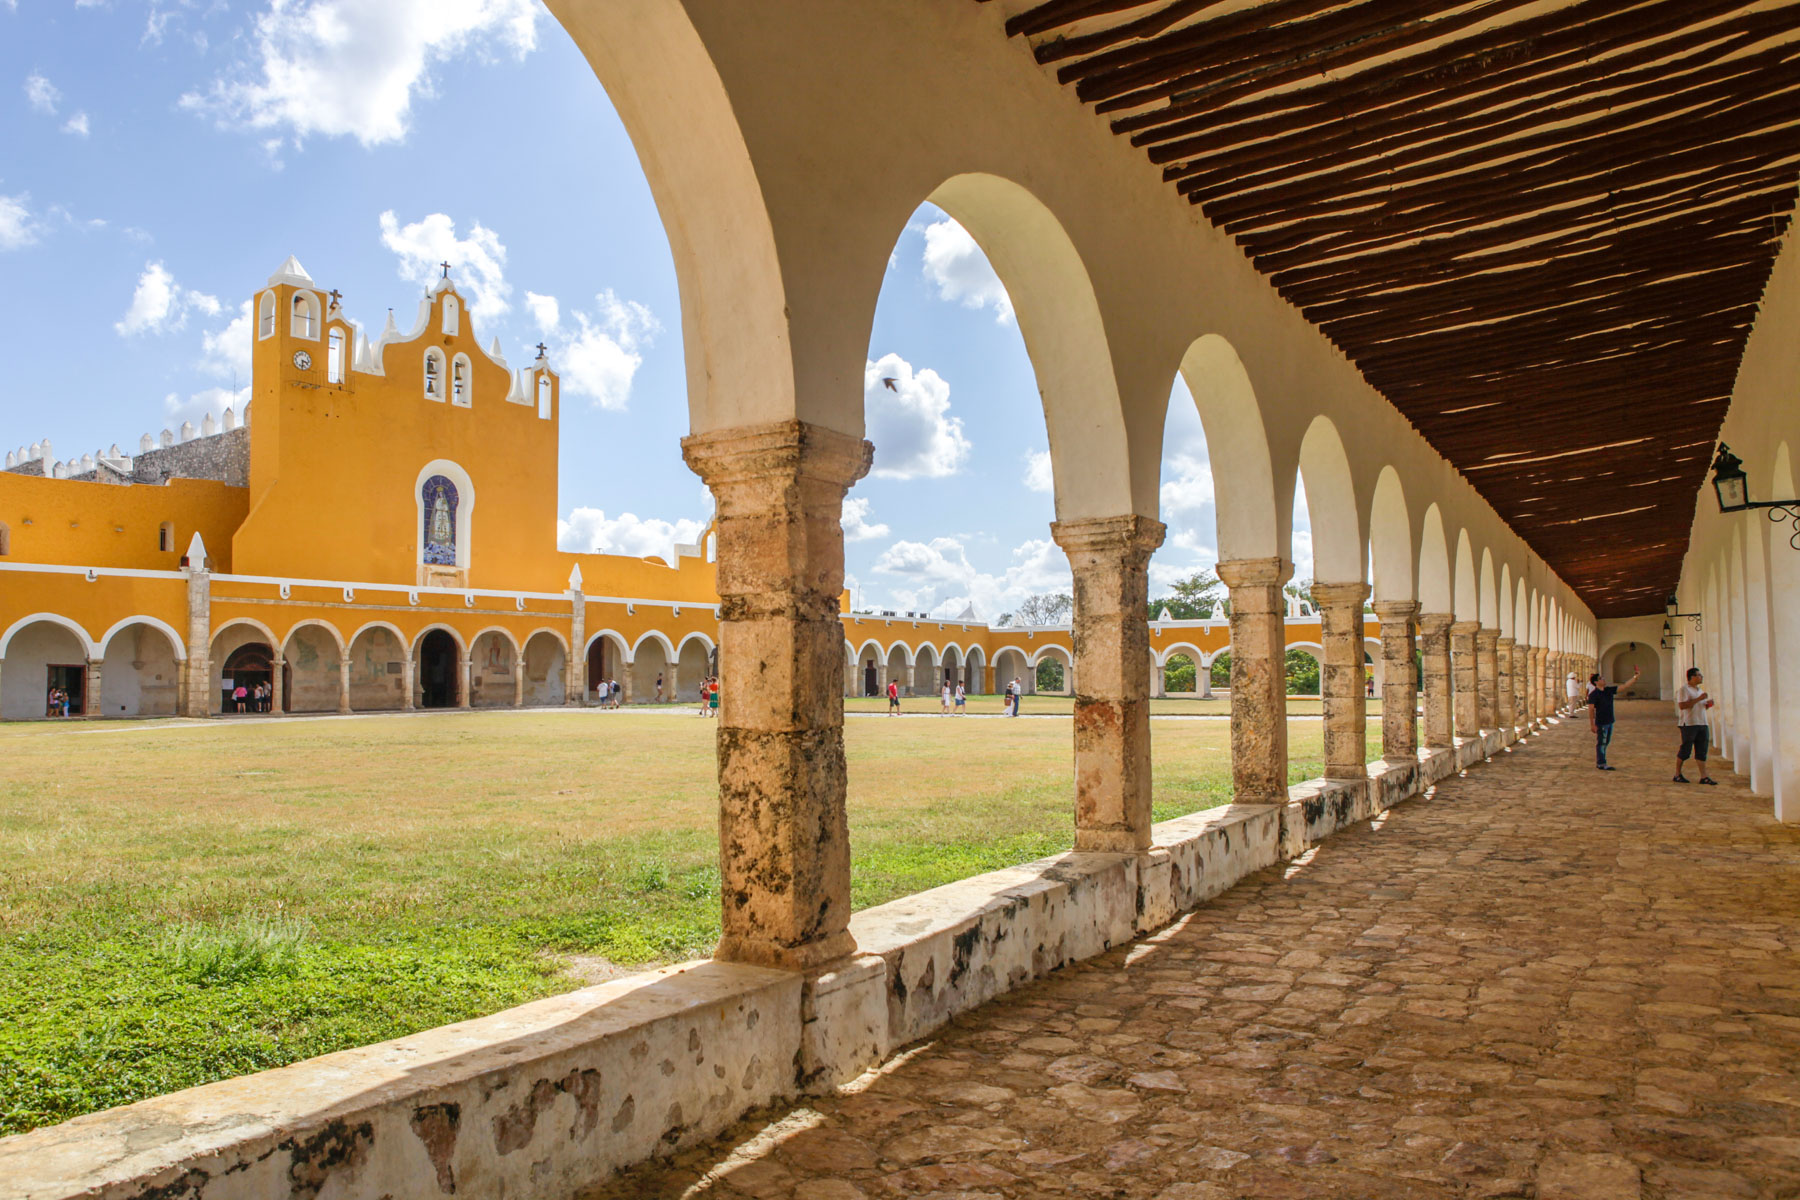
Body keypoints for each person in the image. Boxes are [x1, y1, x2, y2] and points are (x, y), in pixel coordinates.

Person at [1587, 665, 1638, 770]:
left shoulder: (1608, 690)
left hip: (1610, 721)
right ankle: (1601, 763)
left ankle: (1602, 761)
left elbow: (1624, 686)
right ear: (1596, 682)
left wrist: (1635, 677)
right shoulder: (1594, 694)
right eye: (1601, 678)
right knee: (1601, 742)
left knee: (1606, 742)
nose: (1603, 679)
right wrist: (1592, 724)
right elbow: (1591, 709)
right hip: (1601, 722)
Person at [1673, 666, 1717, 785]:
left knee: (1702, 751)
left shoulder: (1700, 691)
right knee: (1685, 750)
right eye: (1699, 675)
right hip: (1689, 724)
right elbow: (1682, 706)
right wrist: (1699, 699)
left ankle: (1704, 776)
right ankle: (1677, 774)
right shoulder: (1684, 690)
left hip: (1702, 723)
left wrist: (1708, 704)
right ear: (1692, 677)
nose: (1701, 677)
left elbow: (1700, 706)